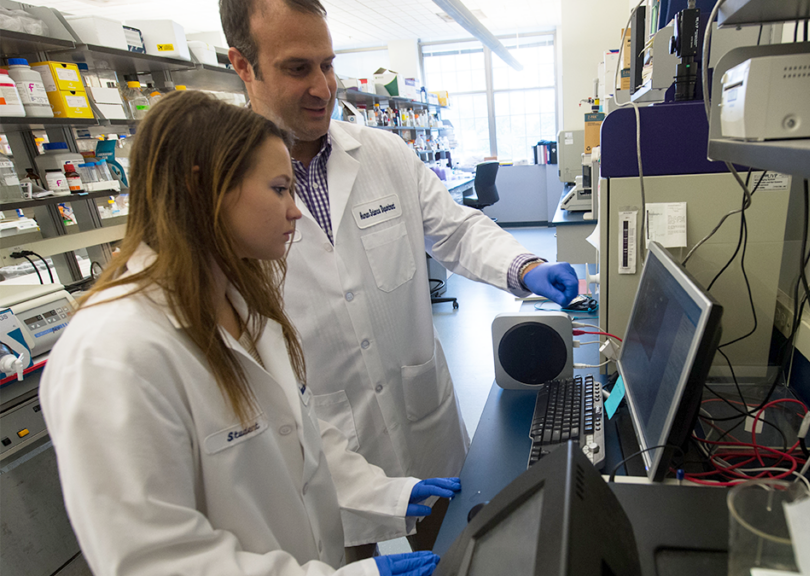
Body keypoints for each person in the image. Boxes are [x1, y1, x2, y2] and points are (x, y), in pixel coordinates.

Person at [39, 90, 456, 576]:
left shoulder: (245, 306)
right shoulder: (112, 354)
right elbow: (155, 560)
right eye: (280, 189)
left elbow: (298, 440)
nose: (296, 209)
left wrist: (390, 493)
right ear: (204, 189)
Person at [220, 0, 580, 557]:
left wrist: (525, 267)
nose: (323, 86)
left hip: (420, 414)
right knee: (345, 555)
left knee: (451, 538)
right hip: (324, 432)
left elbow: (455, 231)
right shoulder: (224, 190)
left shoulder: (383, 153)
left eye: (328, 64)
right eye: (298, 68)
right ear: (243, 66)